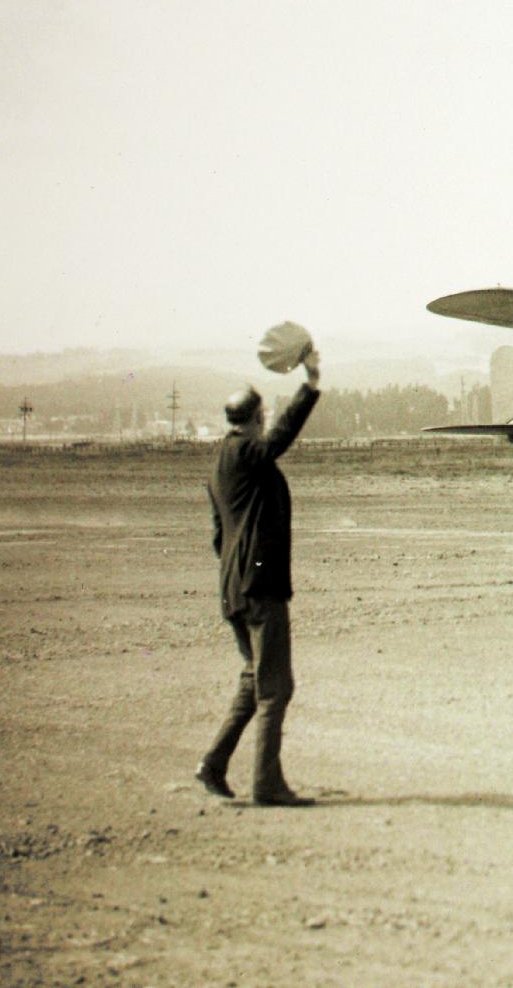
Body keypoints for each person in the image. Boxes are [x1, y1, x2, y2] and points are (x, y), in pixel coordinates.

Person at [196, 346, 321, 807]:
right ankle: (266, 786)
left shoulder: (220, 465)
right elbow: (278, 442)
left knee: (254, 681)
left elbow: (216, 537)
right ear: (257, 417)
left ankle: (213, 764)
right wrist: (309, 386)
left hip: (233, 590)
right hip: (259, 589)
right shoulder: (251, 452)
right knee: (276, 689)